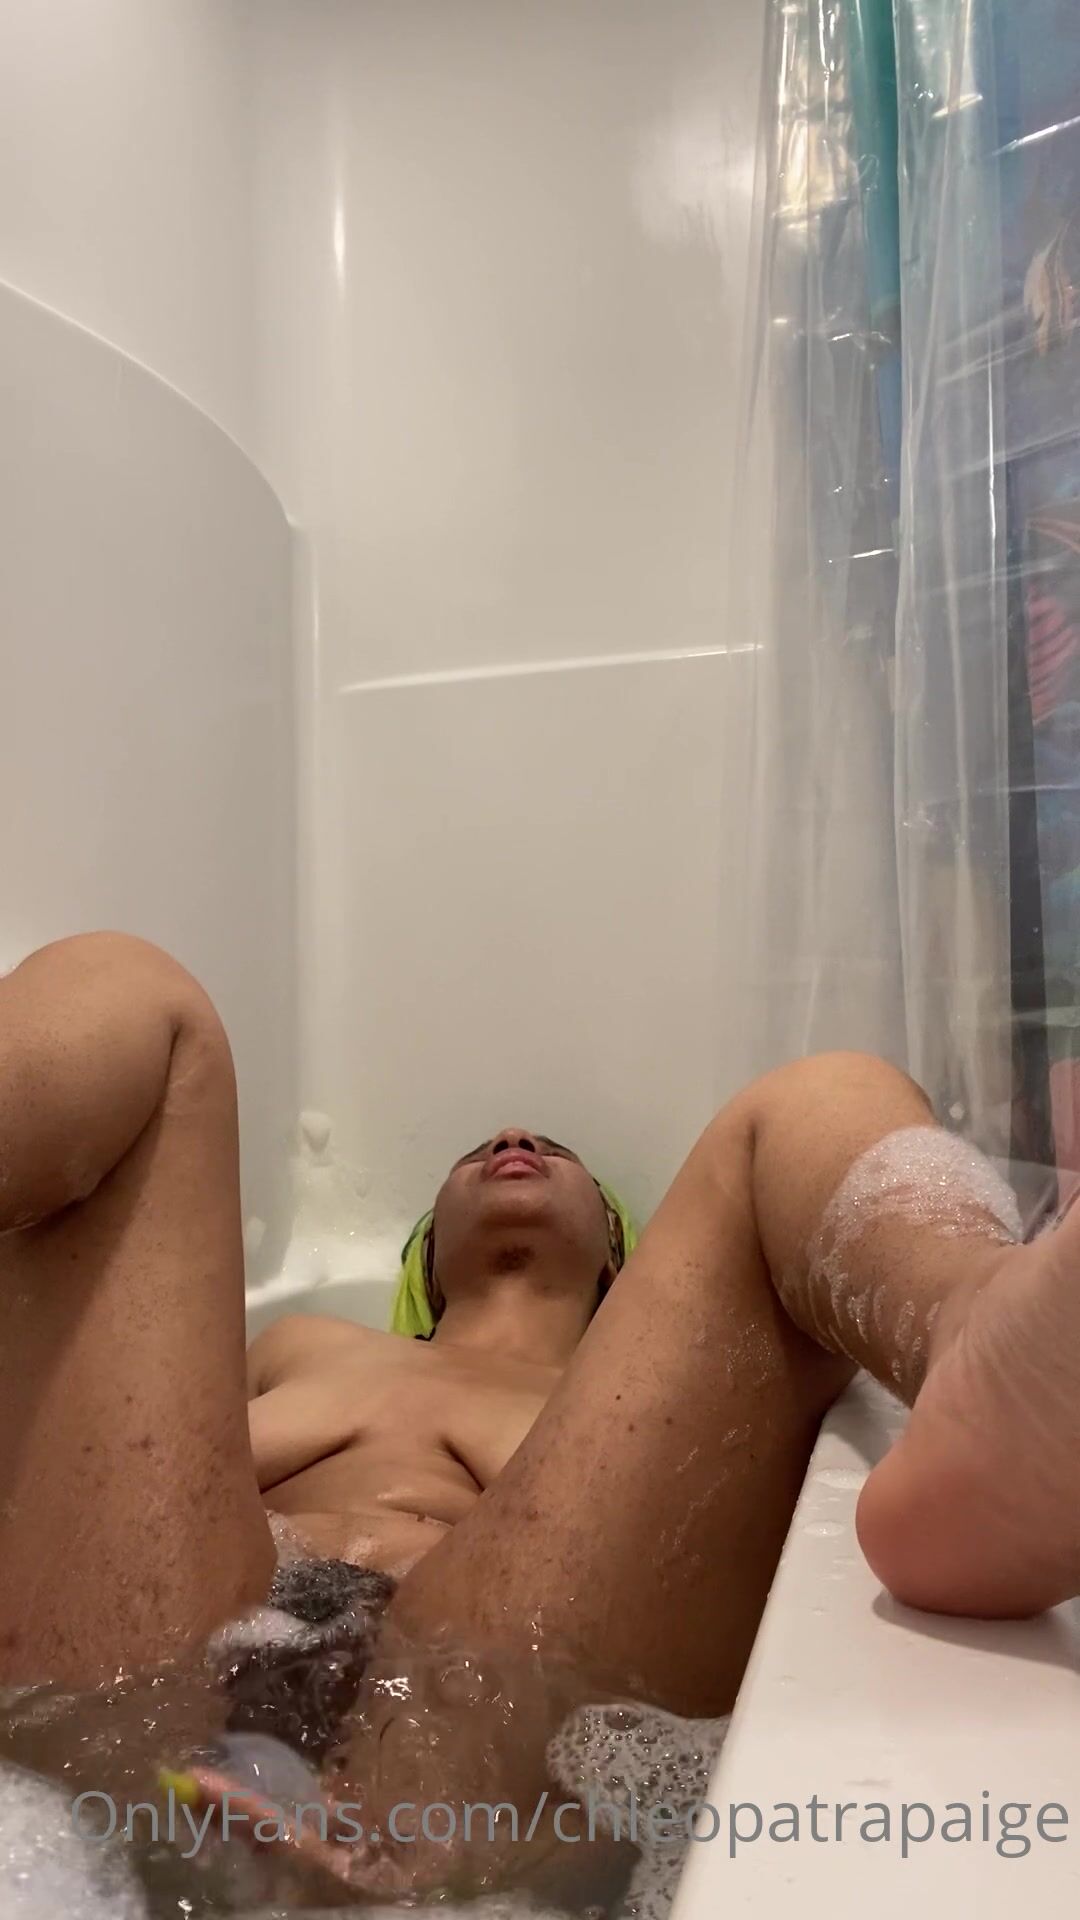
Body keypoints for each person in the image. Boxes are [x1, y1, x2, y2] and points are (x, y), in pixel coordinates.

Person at [0, 931, 1077, 1883]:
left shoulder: (639, 1397)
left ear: (619, 1252)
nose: (514, 1136)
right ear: (425, 1256)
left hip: (463, 1725)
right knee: (131, 988)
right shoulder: (306, 1341)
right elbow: (126, 1462)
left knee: (821, 1093)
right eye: (478, 1154)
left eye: (557, 1155)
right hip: (140, 1673)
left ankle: (977, 1336)